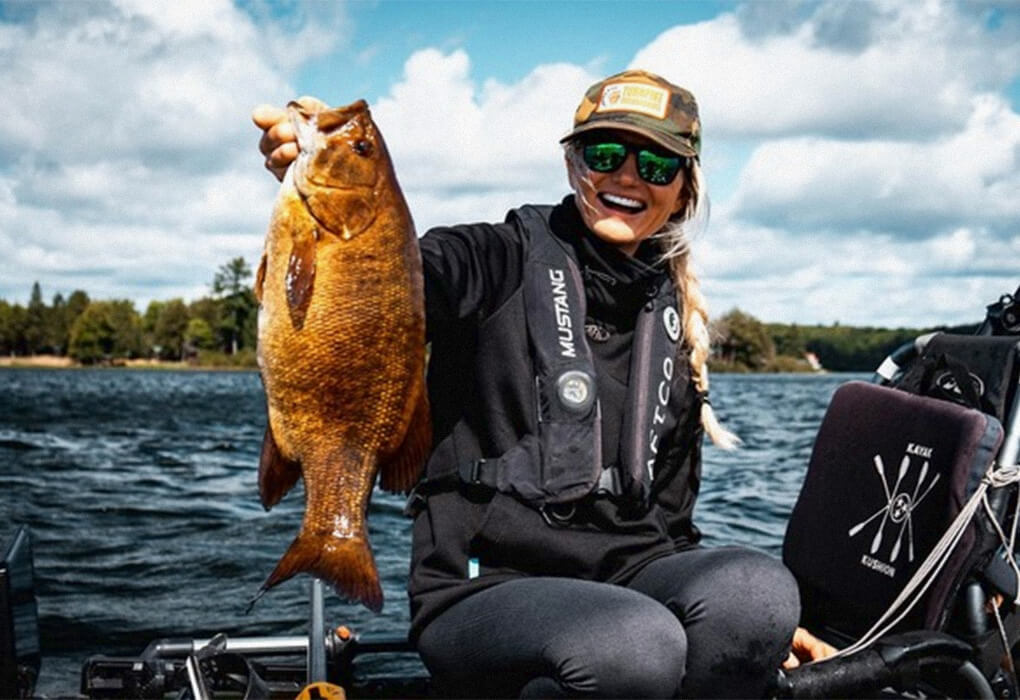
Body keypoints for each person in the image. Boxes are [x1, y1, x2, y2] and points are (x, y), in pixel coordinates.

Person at [253, 69, 835, 698]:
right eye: (605, 154)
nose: (628, 176)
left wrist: (753, 635)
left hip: (630, 580)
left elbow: (673, 526)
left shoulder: (671, 326)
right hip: (483, 590)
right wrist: (324, 183)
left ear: (683, 192)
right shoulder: (493, 257)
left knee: (759, 592)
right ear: (571, 165)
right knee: (635, 644)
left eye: (658, 164)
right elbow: (401, 278)